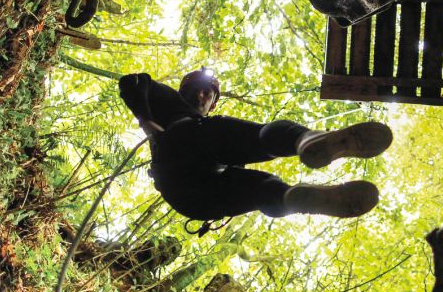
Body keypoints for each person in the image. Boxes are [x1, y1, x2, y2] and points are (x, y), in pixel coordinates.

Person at [118, 68, 392, 220]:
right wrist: (147, 122)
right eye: (195, 89)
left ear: (213, 103)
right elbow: (132, 81)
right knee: (258, 137)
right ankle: (303, 139)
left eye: (208, 93)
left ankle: (293, 192)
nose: (200, 95)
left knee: (263, 187)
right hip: (180, 158)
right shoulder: (171, 102)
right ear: (182, 90)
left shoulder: (213, 132)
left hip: (197, 198)